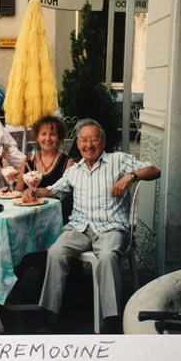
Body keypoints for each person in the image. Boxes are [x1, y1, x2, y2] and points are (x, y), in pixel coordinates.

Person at [21, 118, 161, 334]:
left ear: (102, 142)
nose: (89, 145)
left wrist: (129, 178)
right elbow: (52, 191)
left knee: (106, 255)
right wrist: (33, 191)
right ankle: (50, 316)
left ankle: (111, 319)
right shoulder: (74, 171)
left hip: (111, 226)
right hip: (79, 227)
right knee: (56, 252)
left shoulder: (117, 160)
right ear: (78, 144)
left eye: (94, 139)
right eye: (84, 140)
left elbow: (154, 170)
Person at [15, 114, 74, 220]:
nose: (47, 138)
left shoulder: (67, 162)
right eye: (43, 134)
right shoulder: (28, 160)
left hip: (54, 218)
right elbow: (18, 192)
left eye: (52, 134)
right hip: (27, 216)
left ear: (59, 137)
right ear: (37, 137)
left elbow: (67, 199)